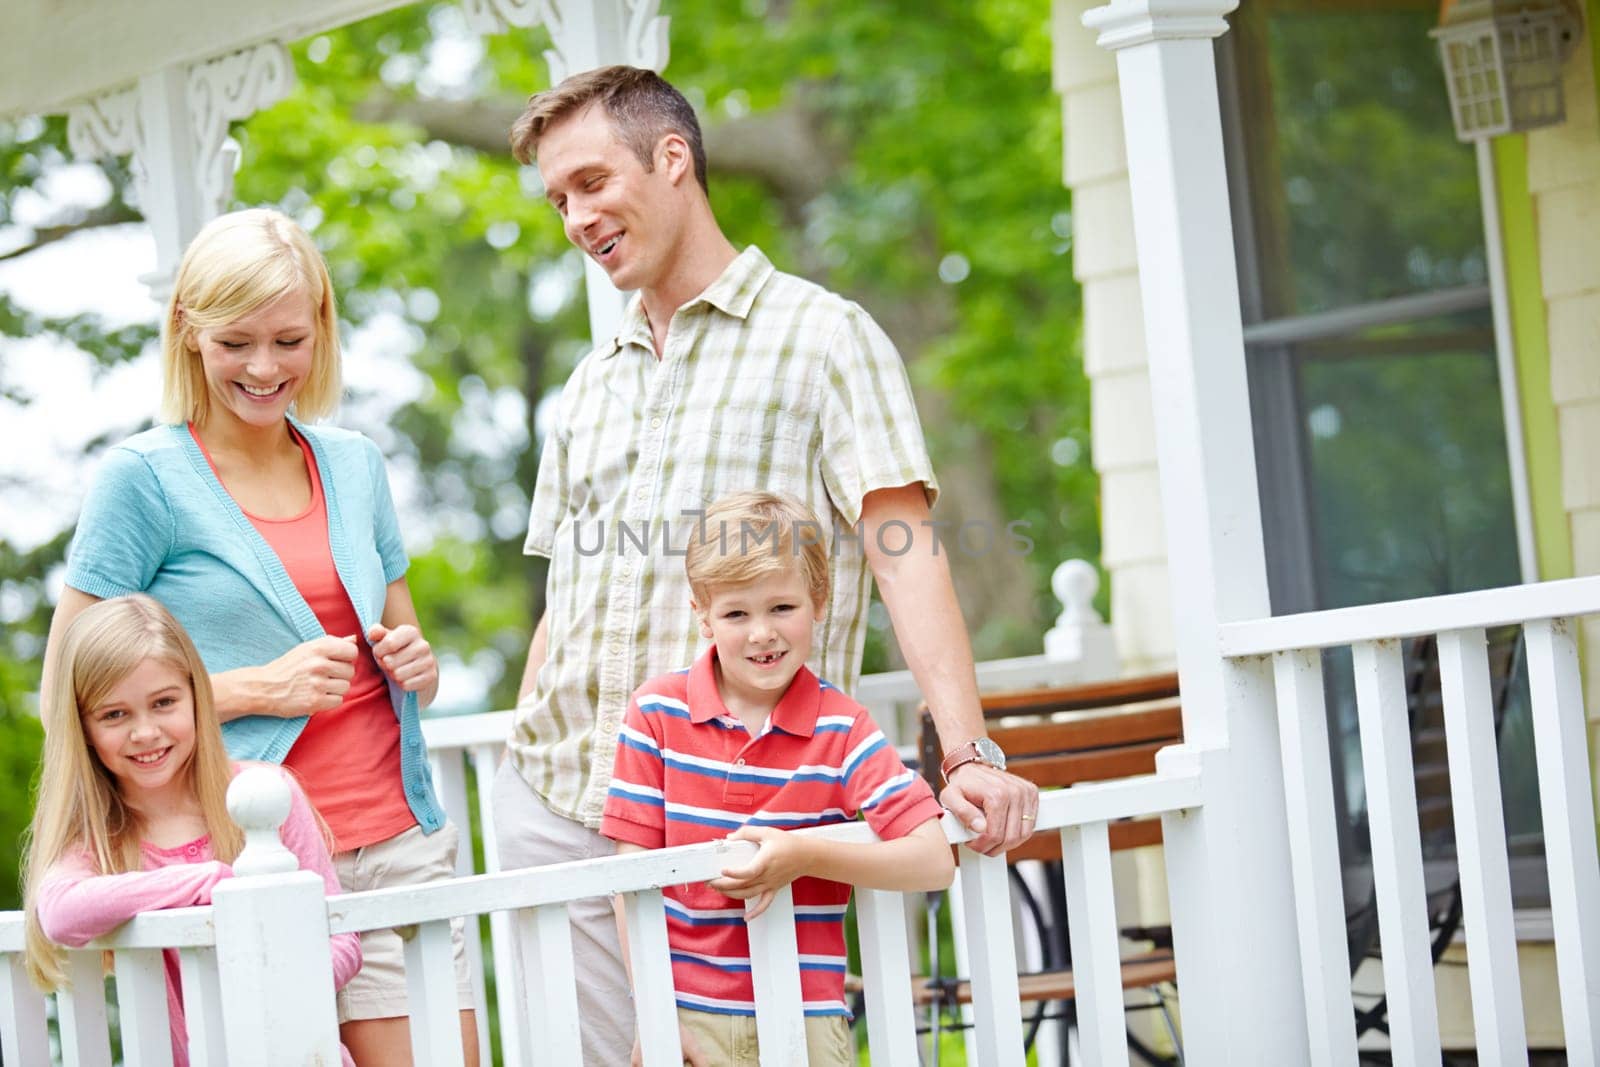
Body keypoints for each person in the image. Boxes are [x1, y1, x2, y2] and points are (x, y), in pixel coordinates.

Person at [497, 65, 1038, 1062]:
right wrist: (521, 748)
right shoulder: (587, 385)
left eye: (590, 182)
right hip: (562, 801)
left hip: (729, 823)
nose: (574, 216)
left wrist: (964, 753)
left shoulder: (823, 339)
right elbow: (564, 600)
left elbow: (904, 554)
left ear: (671, 159)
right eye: (558, 199)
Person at [41, 208, 477, 1066]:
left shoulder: (354, 463)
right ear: (188, 334)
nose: (265, 367)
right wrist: (247, 689)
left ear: (321, 329)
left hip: (396, 837)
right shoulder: (145, 480)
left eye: (289, 338)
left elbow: (404, 639)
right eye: (236, 341)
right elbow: (68, 688)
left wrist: (417, 664)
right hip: (248, 856)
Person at [601, 493, 955, 1066]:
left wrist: (803, 855)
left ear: (819, 603)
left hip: (807, 1017)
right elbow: (629, 878)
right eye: (737, 614)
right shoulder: (654, 716)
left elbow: (934, 859)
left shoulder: (842, 728)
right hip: (689, 1016)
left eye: (782, 607)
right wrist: (656, 1014)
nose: (762, 633)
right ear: (702, 615)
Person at [23, 595, 362, 1067]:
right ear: (82, 728)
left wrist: (270, 987)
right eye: (114, 715)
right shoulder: (99, 836)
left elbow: (341, 937)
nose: (145, 732)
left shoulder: (263, 792)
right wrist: (208, 882)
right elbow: (59, 912)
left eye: (164, 703)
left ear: (196, 696)